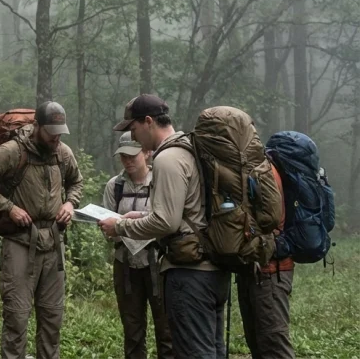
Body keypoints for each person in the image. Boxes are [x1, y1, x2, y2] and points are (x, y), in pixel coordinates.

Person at [99, 95, 230, 359]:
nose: (133, 137)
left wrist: (121, 226)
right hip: (213, 267)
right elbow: (185, 211)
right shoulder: (190, 148)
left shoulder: (167, 158)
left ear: (148, 121)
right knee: (212, 350)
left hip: (190, 274)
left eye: (133, 129)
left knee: (193, 353)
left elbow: (166, 222)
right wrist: (140, 216)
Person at [0, 101, 84, 359]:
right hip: (20, 242)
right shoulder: (13, 151)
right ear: (37, 126)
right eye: (51, 132)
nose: (56, 138)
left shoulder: (62, 153)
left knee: (52, 318)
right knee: (17, 318)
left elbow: (76, 181)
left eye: (60, 133)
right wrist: (8, 208)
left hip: (54, 244)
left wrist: (70, 203)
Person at [102, 131, 173, 359]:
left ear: (147, 153)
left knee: (166, 330)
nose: (128, 161)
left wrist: (133, 221)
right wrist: (110, 229)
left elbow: (168, 221)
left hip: (158, 264)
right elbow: (108, 228)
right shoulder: (115, 186)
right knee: (132, 331)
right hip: (125, 265)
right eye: (123, 156)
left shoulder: (160, 181)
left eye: (133, 155)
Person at [236, 157, 294, 359]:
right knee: (260, 346)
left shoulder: (263, 171)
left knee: (274, 346)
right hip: (258, 272)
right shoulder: (257, 168)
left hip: (270, 271)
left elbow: (269, 221)